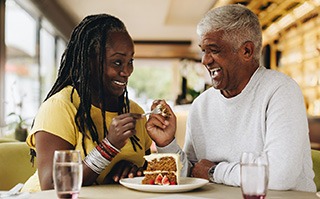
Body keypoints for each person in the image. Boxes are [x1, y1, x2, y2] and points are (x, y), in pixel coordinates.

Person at [145, 4, 316, 192]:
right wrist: (167, 144)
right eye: (204, 51)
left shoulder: (280, 90)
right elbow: (193, 173)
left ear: (247, 51)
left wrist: (214, 172)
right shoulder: (201, 105)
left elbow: (280, 176)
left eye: (214, 50)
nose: (205, 60)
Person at [22, 14, 152, 192]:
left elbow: (146, 169)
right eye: (117, 62)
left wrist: (133, 171)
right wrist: (109, 147)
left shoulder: (134, 111)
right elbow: (52, 185)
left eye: (130, 61)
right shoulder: (60, 107)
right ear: (90, 61)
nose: (127, 71)